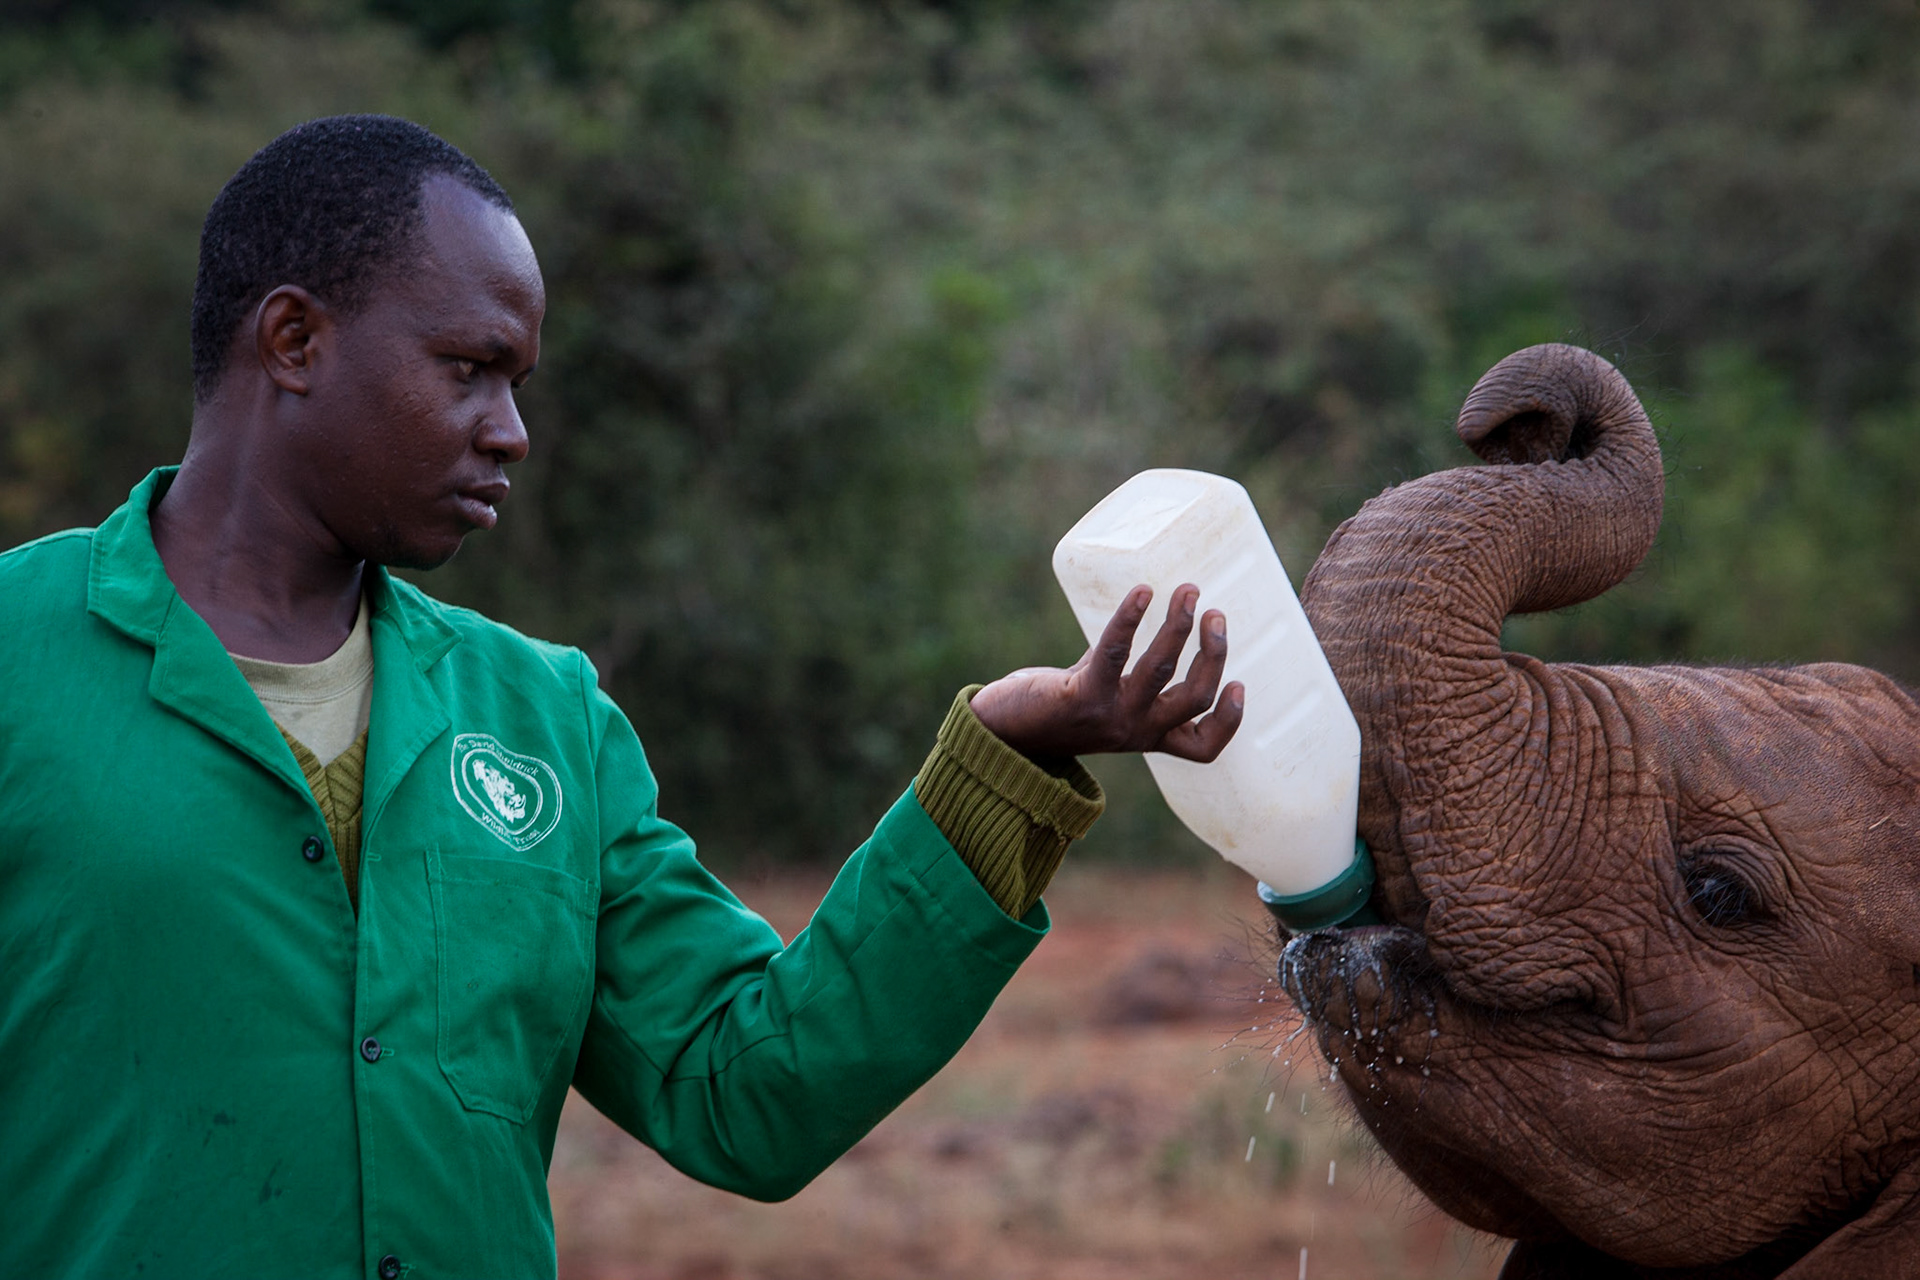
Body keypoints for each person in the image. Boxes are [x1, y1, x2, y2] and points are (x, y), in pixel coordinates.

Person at [0, 115, 1241, 1279]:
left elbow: (749, 1088)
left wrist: (1003, 761)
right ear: (295, 341)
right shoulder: (20, 656)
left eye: (520, 382)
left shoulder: (545, 717)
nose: (512, 431)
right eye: (471, 369)